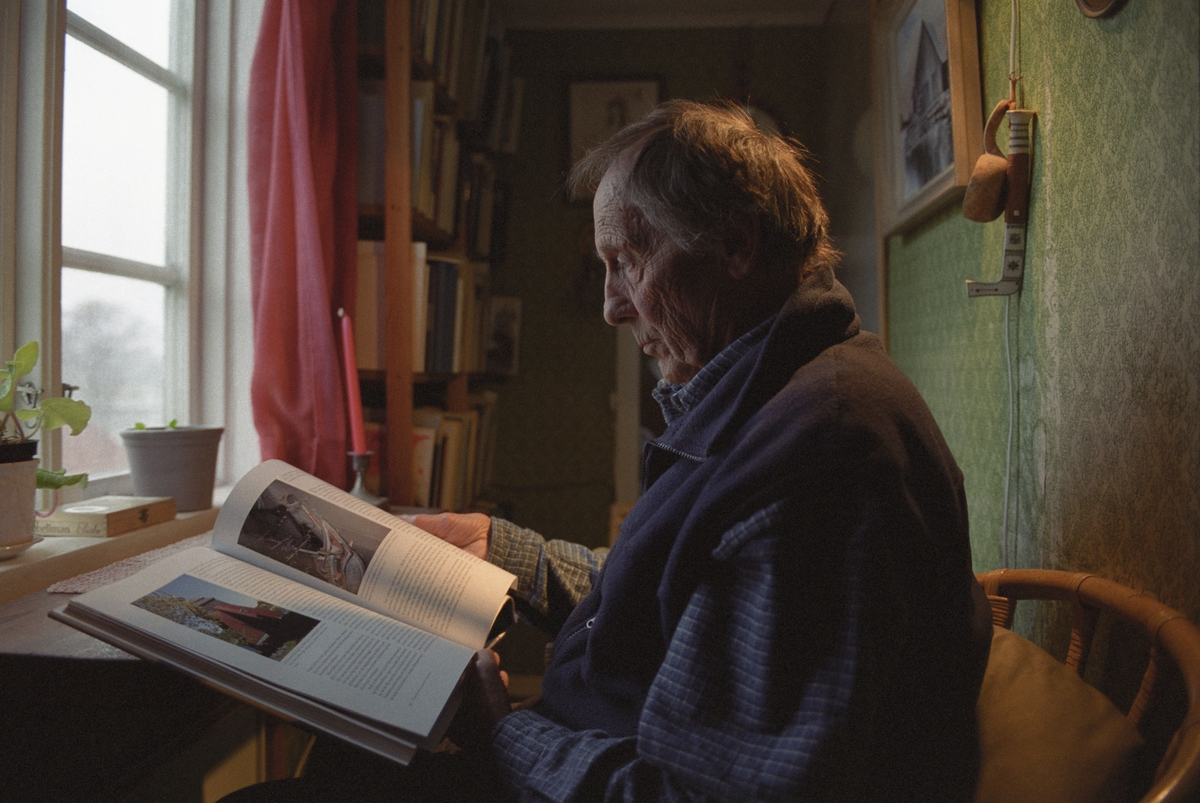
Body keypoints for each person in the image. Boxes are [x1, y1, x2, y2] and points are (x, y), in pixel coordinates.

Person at [225, 99, 992, 802]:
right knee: (346, 762)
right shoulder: (779, 394)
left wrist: (501, 731)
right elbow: (678, 594)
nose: (609, 305)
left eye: (626, 260)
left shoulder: (822, 461)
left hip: (578, 772)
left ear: (735, 245)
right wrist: (509, 551)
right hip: (585, 750)